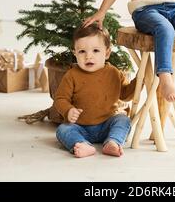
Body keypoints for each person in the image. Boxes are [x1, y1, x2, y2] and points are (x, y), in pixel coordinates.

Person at [54, 24, 136, 158]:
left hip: (107, 124)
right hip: (80, 127)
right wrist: (68, 110)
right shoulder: (72, 75)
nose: (88, 57)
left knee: (123, 120)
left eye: (95, 51)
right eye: (82, 52)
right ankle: (82, 144)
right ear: (75, 53)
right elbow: (60, 99)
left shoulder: (114, 73)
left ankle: (113, 142)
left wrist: (140, 81)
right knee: (63, 130)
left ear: (107, 53)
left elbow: (126, 94)